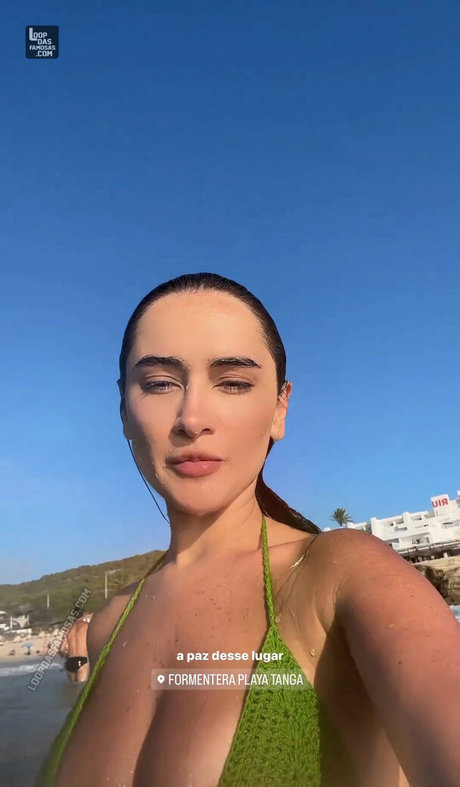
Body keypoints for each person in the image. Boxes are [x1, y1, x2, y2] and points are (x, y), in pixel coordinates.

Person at [37, 272, 459, 786]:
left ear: (280, 409)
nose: (192, 419)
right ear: (124, 408)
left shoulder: (342, 577)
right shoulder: (108, 625)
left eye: (233, 382)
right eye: (159, 383)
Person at [58, 614, 93, 683]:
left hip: (70, 661)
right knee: (81, 687)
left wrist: (65, 655)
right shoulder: (87, 626)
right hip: (82, 660)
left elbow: (61, 649)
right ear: (83, 615)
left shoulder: (68, 629)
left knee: (73, 687)